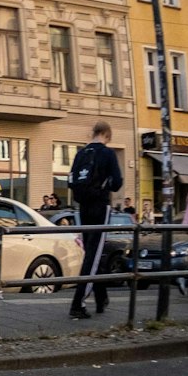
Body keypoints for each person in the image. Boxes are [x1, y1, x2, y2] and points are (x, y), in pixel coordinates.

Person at [68, 122, 124, 320]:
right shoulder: (107, 154)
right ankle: (78, 303)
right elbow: (117, 183)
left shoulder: (80, 153)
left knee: (93, 251)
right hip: (100, 206)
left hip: (83, 207)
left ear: (93, 133)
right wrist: (104, 184)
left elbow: (70, 180)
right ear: (107, 135)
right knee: (93, 253)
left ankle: (101, 298)